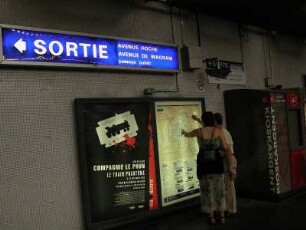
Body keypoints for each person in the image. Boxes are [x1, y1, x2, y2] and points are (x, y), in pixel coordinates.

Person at [182, 111, 233, 224]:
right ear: (213, 120)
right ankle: (222, 216)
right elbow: (225, 147)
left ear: (203, 120)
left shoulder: (198, 131)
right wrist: (230, 165)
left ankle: (211, 217)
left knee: (207, 190)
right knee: (220, 190)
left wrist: (183, 132)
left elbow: (187, 134)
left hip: (204, 165)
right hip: (216, 165)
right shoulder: (218, 131)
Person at [214, 113, 237, 216]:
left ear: (215, 122)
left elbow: (228, 151)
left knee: (229, 187)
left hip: (228, 159)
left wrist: (231, 168)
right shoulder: (222, 131)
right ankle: (228, 209)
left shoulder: (222, 133)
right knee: (227, 186)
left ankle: (231, 210)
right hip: (227, 159)